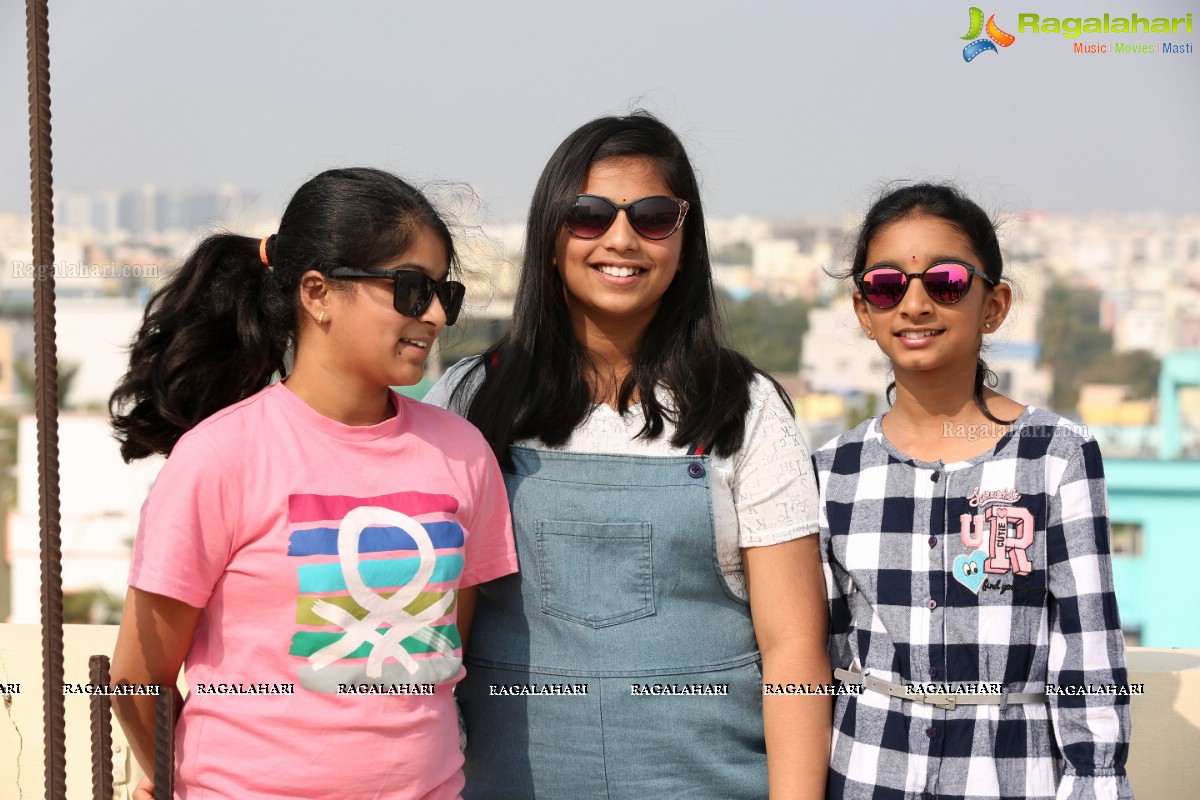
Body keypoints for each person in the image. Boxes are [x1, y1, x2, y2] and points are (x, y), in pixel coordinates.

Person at [423, 112, 831, 799]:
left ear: (684, 240)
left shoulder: (744, 406)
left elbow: (794, 651)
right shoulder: (471, 400)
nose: (621, 239)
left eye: (652, 217)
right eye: (588, 216)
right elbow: (430, 631)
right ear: (550, 239)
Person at [107, 167, 517, 800]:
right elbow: (138, 679)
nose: (434, 314)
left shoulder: (462, 453)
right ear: (318, 293)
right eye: (410, 288)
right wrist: (170, 778)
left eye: (444, 293)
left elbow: (442, 655)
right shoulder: (220, 457)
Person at [814, 183, 1133, 799]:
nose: (914, 304)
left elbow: (1088, 653)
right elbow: (817, 659)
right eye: (886, 284)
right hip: (866, 777)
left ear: (994, 305)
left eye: (947, 282)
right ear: (863, 310)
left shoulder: (1055, 457)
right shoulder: (833, 472)